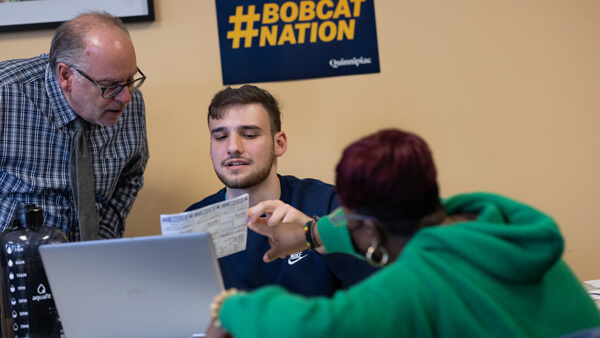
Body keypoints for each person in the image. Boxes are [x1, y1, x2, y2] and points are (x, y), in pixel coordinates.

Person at [206, 128, 600, 338]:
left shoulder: (414, 286)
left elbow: (313, 326)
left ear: (370, 228)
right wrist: (309, 234)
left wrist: (230, 307)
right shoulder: (495, 224)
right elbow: (356, 227)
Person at [186, 85, 376, 297]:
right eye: (220, 137)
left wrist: (313, 234)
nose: (233, 147)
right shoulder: (193, 222)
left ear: (279, 143)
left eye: (248, 134)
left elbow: (382, 292)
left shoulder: (328, 203)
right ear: (211, 150)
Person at [0, 11, 149, 240]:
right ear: (66, 76)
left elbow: (131, 175)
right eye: (109, 85)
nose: (125, 98)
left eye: (130, 80)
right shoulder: (6, 95)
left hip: (91, 264)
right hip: (13, 264)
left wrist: (104, 235)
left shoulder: (130, 104)